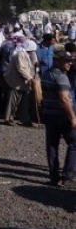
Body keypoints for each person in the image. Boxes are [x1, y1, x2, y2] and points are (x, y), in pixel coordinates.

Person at [41, 50, 76, 187]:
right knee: (74, 143)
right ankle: (67, 175)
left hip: (49, 113)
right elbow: (64, 99)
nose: (70, 63)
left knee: (52, 145)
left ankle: (53, 177)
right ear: (58, 60)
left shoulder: (46, 74)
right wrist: (73, 117)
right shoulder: (61, 77)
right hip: (62, 115)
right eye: (67, 61)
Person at [3, 39, 37, 126]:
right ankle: (8, 119)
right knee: (12, 101)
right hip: (15, 81)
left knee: (23, 102)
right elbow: (21, 69)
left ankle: (24, 119)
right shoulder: (20, 55)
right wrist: (30, 78)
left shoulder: (27, 55)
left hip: (22, 82)